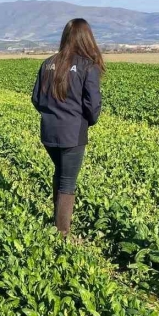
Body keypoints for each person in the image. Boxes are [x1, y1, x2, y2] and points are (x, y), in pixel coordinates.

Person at [31, 18, 104, 237]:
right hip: (73, 133)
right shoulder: (88, 66)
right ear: (87, 38)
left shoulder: (48, 63)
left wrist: (51, 114)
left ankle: (57, 220)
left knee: (61, 173)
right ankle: (61, 232)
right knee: (68, 180)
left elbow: (36, 99)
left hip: (49, 131)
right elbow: (93, 104)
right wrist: (87, 121)